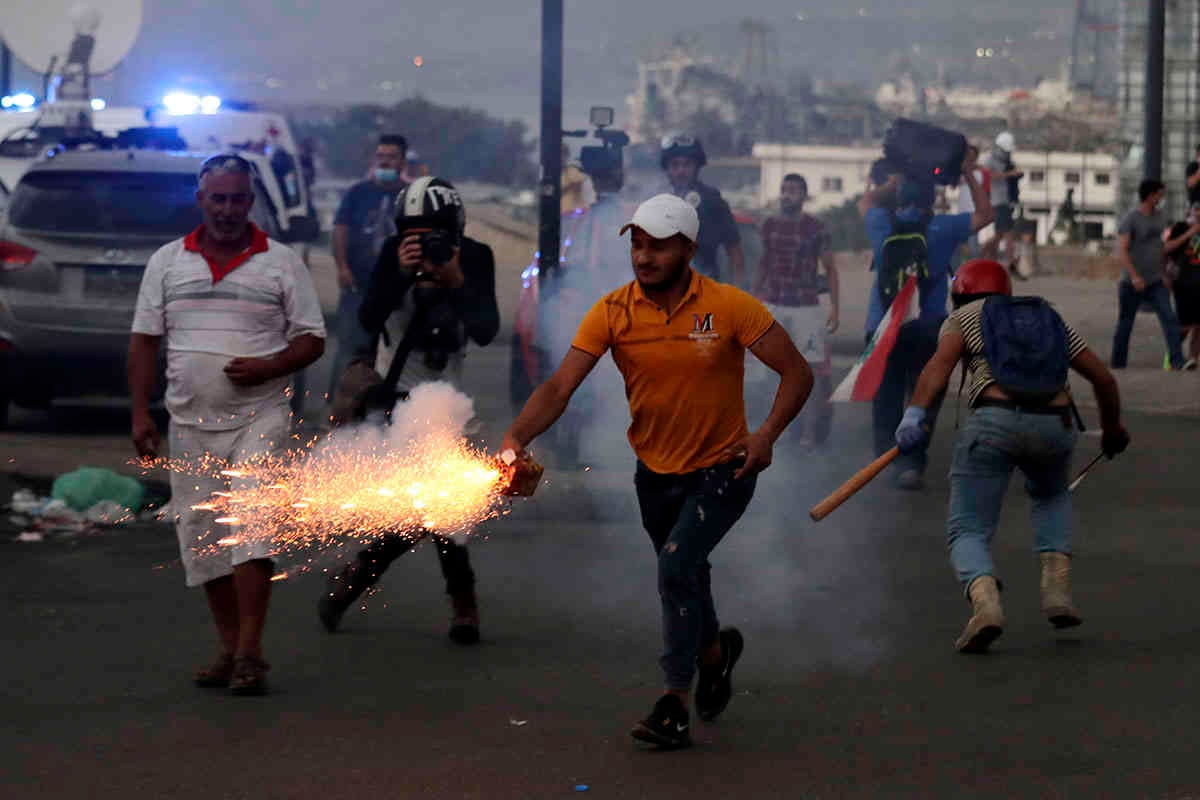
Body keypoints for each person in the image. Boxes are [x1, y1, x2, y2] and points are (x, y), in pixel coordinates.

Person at [502, 194, 813, 750]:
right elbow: (557, 387)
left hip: (725, 470)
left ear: (689, 249)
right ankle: (715, 654)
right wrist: (514, 439)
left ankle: (674, 702)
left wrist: (765, 435)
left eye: (658, 246)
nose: (643, 257)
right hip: (655, 475)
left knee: (675, 568)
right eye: (637, 245)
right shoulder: (612, 311)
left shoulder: (729, 306)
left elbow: (797, 373)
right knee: (687, 572)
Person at [128, 154, 327, 694]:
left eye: (238, 198)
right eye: (218, 198)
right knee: (202, 535)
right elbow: (145, 341)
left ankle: (249, 651)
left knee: (251, 523)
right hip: (189, 422)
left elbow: (312, 338)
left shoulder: (281, 263)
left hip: (261, 416)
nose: (228, 209)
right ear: (201, 201)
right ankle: (230, 646)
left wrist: (269, 366)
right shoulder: (167, 263)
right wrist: (141, 412)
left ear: (251, 202)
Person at [895, 258, 1129, 653]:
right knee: (1052, 496)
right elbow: (1104, 378)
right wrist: (1111, 430)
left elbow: (939, 366)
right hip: (1055, 424)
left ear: (960, 294)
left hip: (993, 421)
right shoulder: (1046, 316)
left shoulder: (964, 316)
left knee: (967, 526)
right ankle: (1056, 591)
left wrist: (915, 414)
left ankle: (986, 605)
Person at [319, 177, 500, 643]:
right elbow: (365, 318)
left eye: (433, 230)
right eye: (413, 230)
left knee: (432, 505)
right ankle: (464, 604)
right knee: (440, 503)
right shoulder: (391, 254)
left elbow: (485, 328)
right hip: (398, 395)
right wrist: (399, 273)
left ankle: (356, 576)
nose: (422, 240)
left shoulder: (475, 257)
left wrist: (456, 280)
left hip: (447, 400)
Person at [858, 161, 994, 490]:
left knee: (886, 398)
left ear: (899, 195)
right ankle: (912, 463)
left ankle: (885, 460)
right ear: (932, 200)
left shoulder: (880, 221)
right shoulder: (943, 227)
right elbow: (986, 216)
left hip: (882, 326)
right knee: (924, 396)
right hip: (927, 327)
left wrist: (891, 181)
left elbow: (865, 202)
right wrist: (968, 176)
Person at [752, 173, 839, 446]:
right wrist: (753, 302)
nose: (788, 194)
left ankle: (809, 434)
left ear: (804, 195)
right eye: (784, 189)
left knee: (810, 370)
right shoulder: (769, 225)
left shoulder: (816, 227)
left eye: (794, 190)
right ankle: (773, 430)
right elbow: (763, 265)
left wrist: (835, 309)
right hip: (774, 303)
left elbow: (831, 268)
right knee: (769, 370)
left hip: (806, 307)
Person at [327, 134, 408, 398]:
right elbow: (340, 230)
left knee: (392, 349)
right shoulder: (357, 193)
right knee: (350, 347)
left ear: (401, 161)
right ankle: (339, 408)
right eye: (381, 156)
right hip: (358, 286)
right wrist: (342, 267)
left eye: (391, 157)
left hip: (397, 290)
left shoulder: (409, 196)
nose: (385, 162)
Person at [1111, 179, 1187, 371]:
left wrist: (1165, 274)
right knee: (1125, 324)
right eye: (1159, 194)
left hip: (1155, 281)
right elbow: (1123, 250)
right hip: (1131, 283)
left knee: (1169, 318)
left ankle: (1177, 361)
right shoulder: (1131, 218)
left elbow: (1163, 248)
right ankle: (1118, 364)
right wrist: (1135, 276)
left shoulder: (1161, 218)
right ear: (1150, 195)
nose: (1161, 198)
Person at [660, 132, 745, 286]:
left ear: (697, 167)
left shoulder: (712, 201)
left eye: (687, 164)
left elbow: (734, 250)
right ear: (667, 169)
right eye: (675, 165)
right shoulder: (656, 203)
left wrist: (736, 293)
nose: (681, 171)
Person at [1163, 202, 1200, 369]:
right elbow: (1166, 249)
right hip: (1183, 283)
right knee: (1185, 326)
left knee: (1199, 326)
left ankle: (1193, 359)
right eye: (1197, 209)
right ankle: (1173, 355)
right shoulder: (1181, 227)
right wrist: (1190, 233)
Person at [984, 131, 1023, 276]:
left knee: (1000, 235)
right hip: (998, 200)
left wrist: (1015, 175)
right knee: (1008, 235)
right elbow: (988, 176)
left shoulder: (1007, 161)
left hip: (1007, 200)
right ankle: (1010, 264)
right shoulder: (991, 160)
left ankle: (986, 257)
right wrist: (1009, 174)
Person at [955, 145, 990, 261]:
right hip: (961, 211)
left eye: (972, 155)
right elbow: (952, 183)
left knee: (973, 243)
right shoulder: (959, 171)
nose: (970, 157)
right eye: (967, 155)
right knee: (959, 245)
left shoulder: (981, 172)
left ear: (976, 157)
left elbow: (986, 191)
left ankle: (976, 268)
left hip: (975, 212)